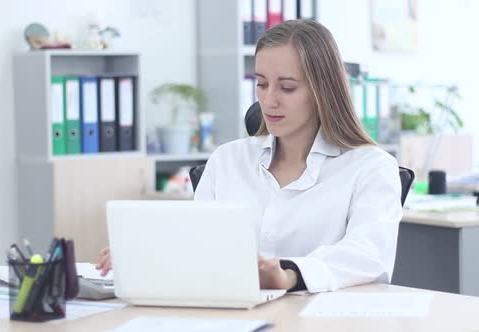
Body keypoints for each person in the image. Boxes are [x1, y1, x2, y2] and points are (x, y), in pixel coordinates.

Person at [97, 19, 402, 293]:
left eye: (287, 87)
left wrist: (289, 274)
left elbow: (367, 254)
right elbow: (198, 241)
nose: (269, 100)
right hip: (231, 317)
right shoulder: (227, 160)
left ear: (324, 91)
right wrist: (145, 253)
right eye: (261, 84)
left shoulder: (371, 167)